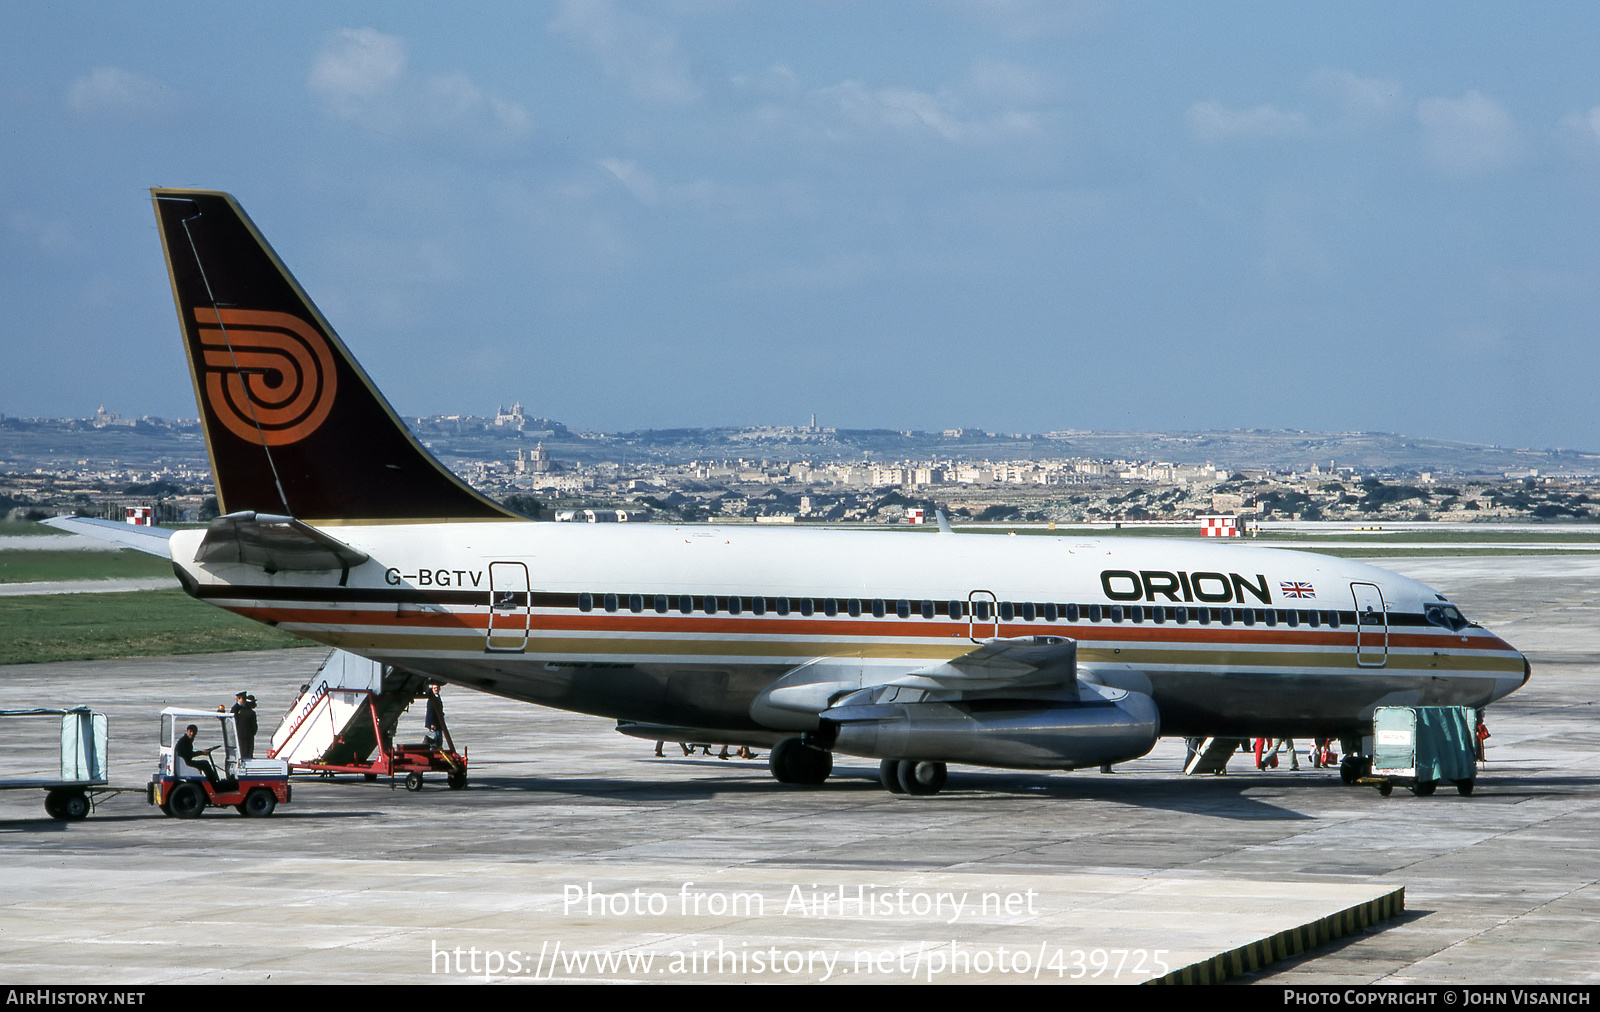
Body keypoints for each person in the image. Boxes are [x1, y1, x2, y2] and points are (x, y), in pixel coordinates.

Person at [232, 691, 259, 760]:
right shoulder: (251, 713)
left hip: (240, 736)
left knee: (243, 754)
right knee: (248, 755)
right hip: (248, 737)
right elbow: (254, 727)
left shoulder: (240, 711)